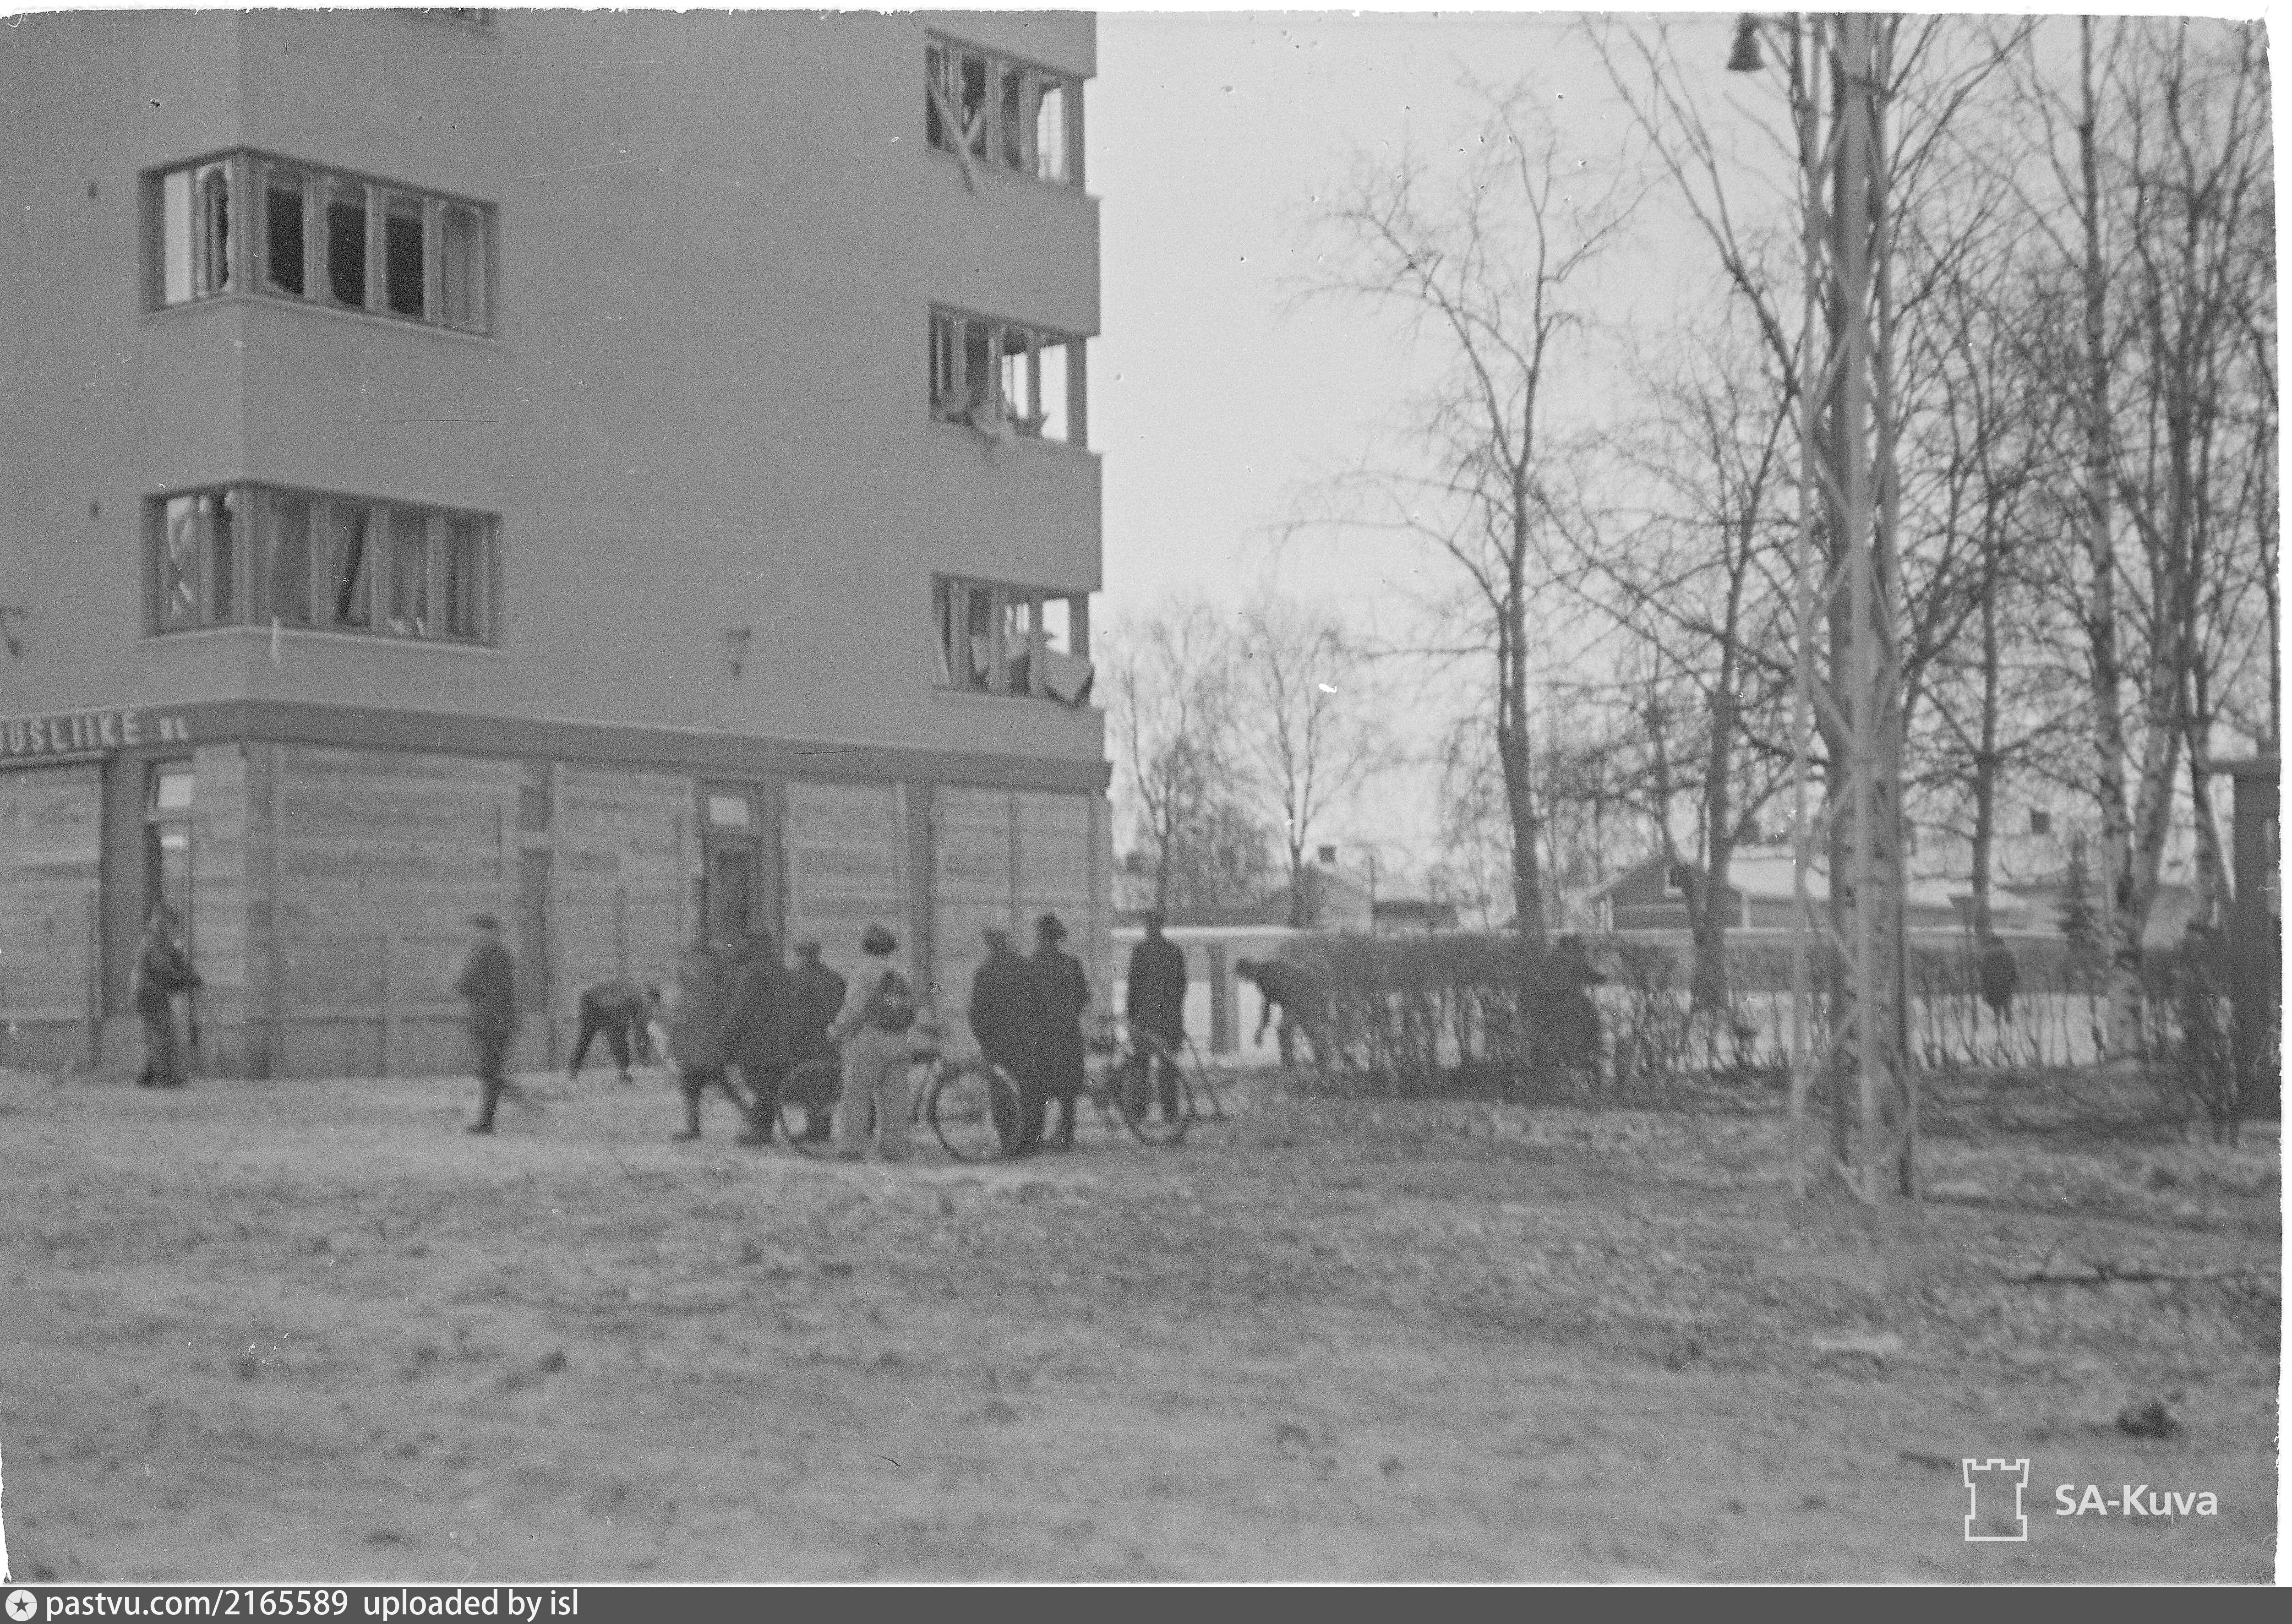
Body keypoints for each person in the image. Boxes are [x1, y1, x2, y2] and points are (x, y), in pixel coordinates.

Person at [827, 924, 916, 1161]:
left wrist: (837, 1029)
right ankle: (894, 1148)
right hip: (900, 1040)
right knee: (895, 1097)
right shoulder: (901, 972)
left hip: (870, 1040)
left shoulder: (865, 972)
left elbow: (855, 1008)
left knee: (856, 1095)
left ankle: (851, 1148)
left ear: (866, 946)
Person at [665, 941, 752, 1141]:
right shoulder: (716, 984)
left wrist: (675, 1043)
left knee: (692, 1087)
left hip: (697, 1048)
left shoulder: (696, 988)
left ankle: (694, 1128)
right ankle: (751, 1119)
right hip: (709, 1047)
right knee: (722, 1086)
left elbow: (682, 1018)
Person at [720, 929, 794, 1146]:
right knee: (768, 1084)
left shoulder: (751, 973)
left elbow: (740, 1011)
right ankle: (762, 1127)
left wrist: (727, 1036)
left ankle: (760, 1130)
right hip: (780, 1038)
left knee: (761, 1085)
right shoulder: (781, 970)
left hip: (755, 1040)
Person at [967, 925, 1036, 1153]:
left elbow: (977, 1012)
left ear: (990, 945)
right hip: (1024, 1039)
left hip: (996, 1043)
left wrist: (984, 1041)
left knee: (1001, 1093)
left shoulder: (986, 971)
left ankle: (1008, 1141)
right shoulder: (1024, 967)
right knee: (1027, 1090)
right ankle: (1028, 1140)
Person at [452, 913, 521, 1134]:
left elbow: (464, 985)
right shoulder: (501, 954)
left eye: (476, 932)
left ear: (486, 932)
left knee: (489, 1071)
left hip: (489, 1020)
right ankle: (502, 1102)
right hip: (499, 1020)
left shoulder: (485, 954)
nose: (473, 936)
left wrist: (475, 994)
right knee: (490, 1070)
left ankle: (487, 1122)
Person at [1027, 913, 1090, 1150]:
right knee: (1068, 1090)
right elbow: (1083, 996)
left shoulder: (1033, 965)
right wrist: (1068, 1012)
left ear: (1041, 936)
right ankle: (1065, 1136)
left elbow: (1026, 1001)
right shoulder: (1071, 963)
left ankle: (1036, 1137)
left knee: (1038, 1088)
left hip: (1042, 1035)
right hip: (1068, 1032)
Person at [1124, 909, 1188, 1123]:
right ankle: (1170, 1111)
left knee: (1141, 1065)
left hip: (1144, 1018)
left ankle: (1139, 1111)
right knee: (1167, 1066)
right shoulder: (1174, 951)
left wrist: (1131, 1016)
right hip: (1169, 1018)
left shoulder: (1140, 951)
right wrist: (1176, 1015)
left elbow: (1133, 987)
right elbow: (1181, 987)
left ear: (1147, 927)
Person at [131, 905, 202, 1088]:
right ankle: (164, 1075)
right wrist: (187, 979)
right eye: (171, 922)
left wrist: (185, 977)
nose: (174, 927)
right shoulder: (156, 941)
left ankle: (149, 1075)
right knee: (165, 1033)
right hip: (150, 993)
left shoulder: (159, 940)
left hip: (151, 992)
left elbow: (171, 966)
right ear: (162, 921)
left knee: (158, 1033)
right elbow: (163, 969)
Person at [1234, 956, 1325, 1070]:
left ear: (1247, 971)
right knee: (1308, 1031)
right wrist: (1261, 1030)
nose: (1244, 980)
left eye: (1243, 976)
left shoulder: (1265, 974)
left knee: (1289, 1029)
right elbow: (1267, 1005)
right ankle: (1319, 1064)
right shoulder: (1263, 973)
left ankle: (1293, 1066)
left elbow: (1270, 1005)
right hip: (1302, 999)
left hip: (1302, 999)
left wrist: (1261, 1030)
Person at [567, 976, 658, 1084]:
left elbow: (640, 1028)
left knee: (588, 1037)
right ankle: (624, 1075)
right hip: (595, 1001)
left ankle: (574, 1071)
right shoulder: (640, 998)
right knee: (615, 1037)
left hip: (600, 999)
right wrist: (644, 1054)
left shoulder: (638, 992)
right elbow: (640, 1030)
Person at [786, 935, 847, 1068]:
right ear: (818, 952)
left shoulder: (790, 978)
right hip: (826, 1038)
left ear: (798, 953)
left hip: (797, 1040)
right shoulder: (835, 978)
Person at [1978, 933, 2020, 1025]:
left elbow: (1984, 971)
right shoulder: (2008, 954)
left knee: (1996, 1005)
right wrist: (2015, 981)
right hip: (2006, 984)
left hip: (1992, 984)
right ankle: (2009, 1022)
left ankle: (1998, 1022)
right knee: (2007, 1004)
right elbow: (2014, 969)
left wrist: (1984, 985)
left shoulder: (1988, 955)